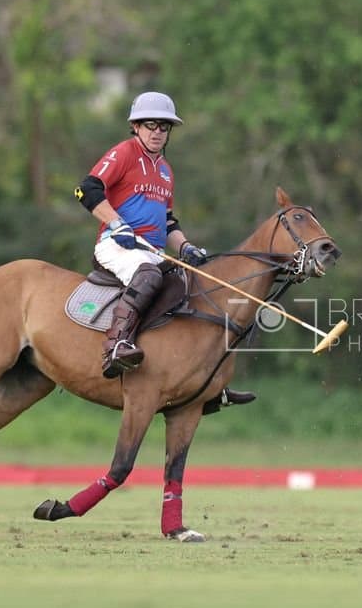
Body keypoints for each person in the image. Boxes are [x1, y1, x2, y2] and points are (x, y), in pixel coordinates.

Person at [72, 91, 252, 411]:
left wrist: (186, 246)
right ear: (136, 126)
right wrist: (116, 224)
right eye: (151, 125)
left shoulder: (166, 170)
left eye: (164, 127)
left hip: (152, 250)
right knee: (148, 274)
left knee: (196, 286)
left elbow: (168, 221)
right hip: (117, 245)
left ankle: (204, 382)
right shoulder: (125, 153)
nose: (157, 132)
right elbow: (86, 189)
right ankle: (115, 346)